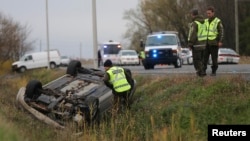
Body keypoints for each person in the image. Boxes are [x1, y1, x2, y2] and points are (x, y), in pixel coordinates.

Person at [204, 6, 224, 76]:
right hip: (206, 43)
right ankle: (203, 71)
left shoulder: (217, 21)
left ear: (213, 13)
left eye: (209, 13)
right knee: (204, 58)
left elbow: (221, 31)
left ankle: (213, 72)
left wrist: (220, 41)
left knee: (214, 59)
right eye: (207, 13)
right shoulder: (205, 21)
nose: (208, 15)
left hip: (214, 43)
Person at [188, 9, 207, 77]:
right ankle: (202, 72)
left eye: (191, 15)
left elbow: (193, 34)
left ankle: (201, 72)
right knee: (201, 59)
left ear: (193, 15)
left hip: (196, 45)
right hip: (204, 44)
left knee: (196, 60)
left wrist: (190, 43)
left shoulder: (195, 23)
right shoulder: (204, 22)